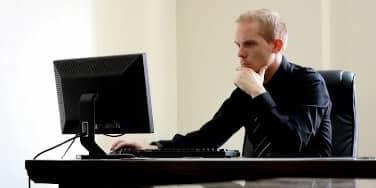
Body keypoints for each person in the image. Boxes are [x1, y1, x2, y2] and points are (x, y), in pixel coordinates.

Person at [111, 8, 332, 157]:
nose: (240, 54)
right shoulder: (247, 90)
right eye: (238, 45)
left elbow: (293, 144)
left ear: (276, 45)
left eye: (249, 44)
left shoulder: (309, 83)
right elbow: (209, 138)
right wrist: (154, 147)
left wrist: (258, 92)